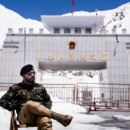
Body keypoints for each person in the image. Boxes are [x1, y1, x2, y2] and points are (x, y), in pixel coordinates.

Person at [0, 64, 73, 130]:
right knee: (29, 104)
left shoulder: (40, 87)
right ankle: (57, 116)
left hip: (38, 116)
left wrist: (46, 106)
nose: (32, 75)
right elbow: (2, 101)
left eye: (33, 73)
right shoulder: (16, 88)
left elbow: (48, 100)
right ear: (23, 76)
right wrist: (15, 106)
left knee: (46, 121)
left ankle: (55, 116)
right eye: (29, 73)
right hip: (25, 117)